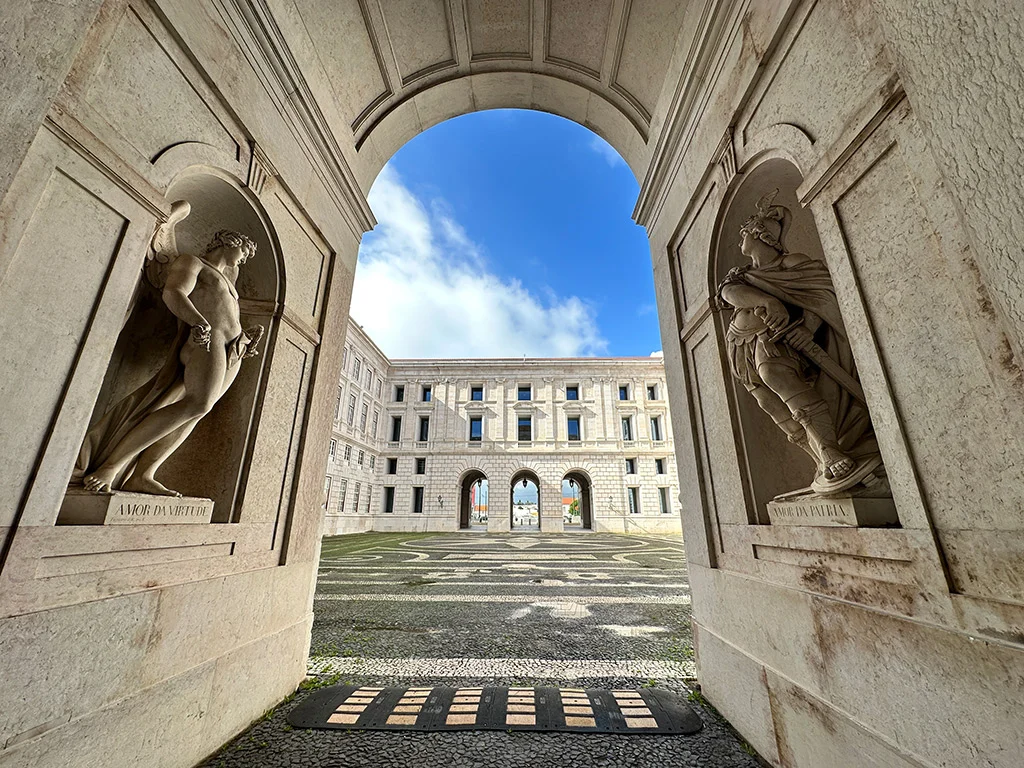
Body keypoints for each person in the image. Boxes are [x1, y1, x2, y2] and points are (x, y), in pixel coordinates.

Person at [74, 228, 263, 497]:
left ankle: (142, 475)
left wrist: (245, 337)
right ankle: (110, 466)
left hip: (233, 350)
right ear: (228, 242)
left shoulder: (229, 280)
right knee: (199, 403)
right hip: (206, 341)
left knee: (197, 412)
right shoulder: (193, 263)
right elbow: (173, 293)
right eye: (243, 251)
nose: (244, 259)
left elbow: (227, 314)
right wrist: (198, 321)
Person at [717, 190, 876, 490]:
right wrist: (768, 300)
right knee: (769, 403)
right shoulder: (741, 274)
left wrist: (808, 327)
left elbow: (822, 296)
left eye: (744, 233)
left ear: (761, 235)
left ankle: (830, 449)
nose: (740, 240)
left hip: (775, 340)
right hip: (740, 345)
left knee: (774, 373)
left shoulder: (792, 265)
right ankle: (819, 459)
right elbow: (728, 293)